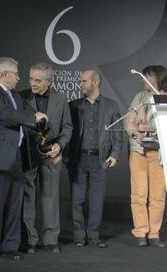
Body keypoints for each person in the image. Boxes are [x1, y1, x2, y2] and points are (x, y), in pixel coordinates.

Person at [0, 57, 47, 261]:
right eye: (16, 74)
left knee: (14, 206)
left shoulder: (15, 95)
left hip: (16, 158)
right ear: (5, 74)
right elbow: (5, 115)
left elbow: (26, 114)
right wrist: (32, 118)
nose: (19, 78)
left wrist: (39, 124)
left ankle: (10, 246)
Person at [20, 62, 72, 254]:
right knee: (29, 197)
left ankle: (50, 239)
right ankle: (31, 239)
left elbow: (67, 127)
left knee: (49, 196)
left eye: (38, 80)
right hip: (29, 153)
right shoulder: (22, 97)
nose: (33, 83)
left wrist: (60, 145)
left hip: (51, 153)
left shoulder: (61, 99)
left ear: (49, 81)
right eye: (31, 79)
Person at [67, 69, 122, 248]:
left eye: (83, 81)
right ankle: (78, 236)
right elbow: (67, 132)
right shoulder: (74, 105)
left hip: (100, 160)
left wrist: (114, 154)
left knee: (96, 200)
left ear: (95, 82)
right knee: (77, 199)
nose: (80, 84)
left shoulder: (111, 105)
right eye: (80, 81)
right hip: (78, 159)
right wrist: (66, 155)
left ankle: (93, 235)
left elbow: (117, 133)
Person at [124, 65, 167, 248]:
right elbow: (128, 121)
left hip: (159, 153)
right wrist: (136, 134)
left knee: (158, 196)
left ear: (158, 78)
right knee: (139, 194)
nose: (143, 80)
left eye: (147, 76)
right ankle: (141, 232)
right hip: (139, 151)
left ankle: (154, 234)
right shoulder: (139, 97)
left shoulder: (165, 98)